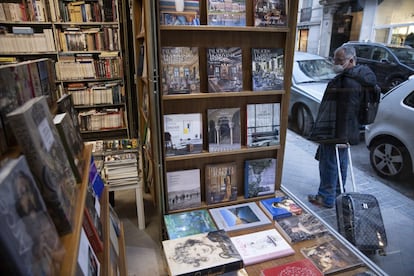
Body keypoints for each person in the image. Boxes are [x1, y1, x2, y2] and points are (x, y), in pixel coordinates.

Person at [308, 45, 377, 208]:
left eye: (339, 60)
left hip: (337, 131)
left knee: (329, 163)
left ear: (351, 60)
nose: (336, 63)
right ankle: (338, 194)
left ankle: (326, 198)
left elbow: (347, 110)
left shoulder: (349, 82)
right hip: (346, 130)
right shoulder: (357, 77)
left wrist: (338, 137)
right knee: (340, 163)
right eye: (335, 59)